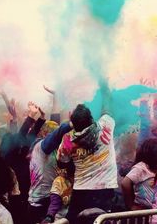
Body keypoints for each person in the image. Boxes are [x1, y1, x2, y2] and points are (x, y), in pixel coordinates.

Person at [57, 83, 117, 224]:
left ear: (73, 123)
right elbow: (107, 107)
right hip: (105, 188)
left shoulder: (67, 139)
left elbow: (62, 163)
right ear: (91, 119)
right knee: (102, 221)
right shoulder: (105, 125)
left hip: (81, 190)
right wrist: (105, 85)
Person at [121, 138, 157, 210]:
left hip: (153, 211)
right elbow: (125, 183)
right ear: (153, 153)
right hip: (142, 211)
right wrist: (130, 205)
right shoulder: (141, 167)